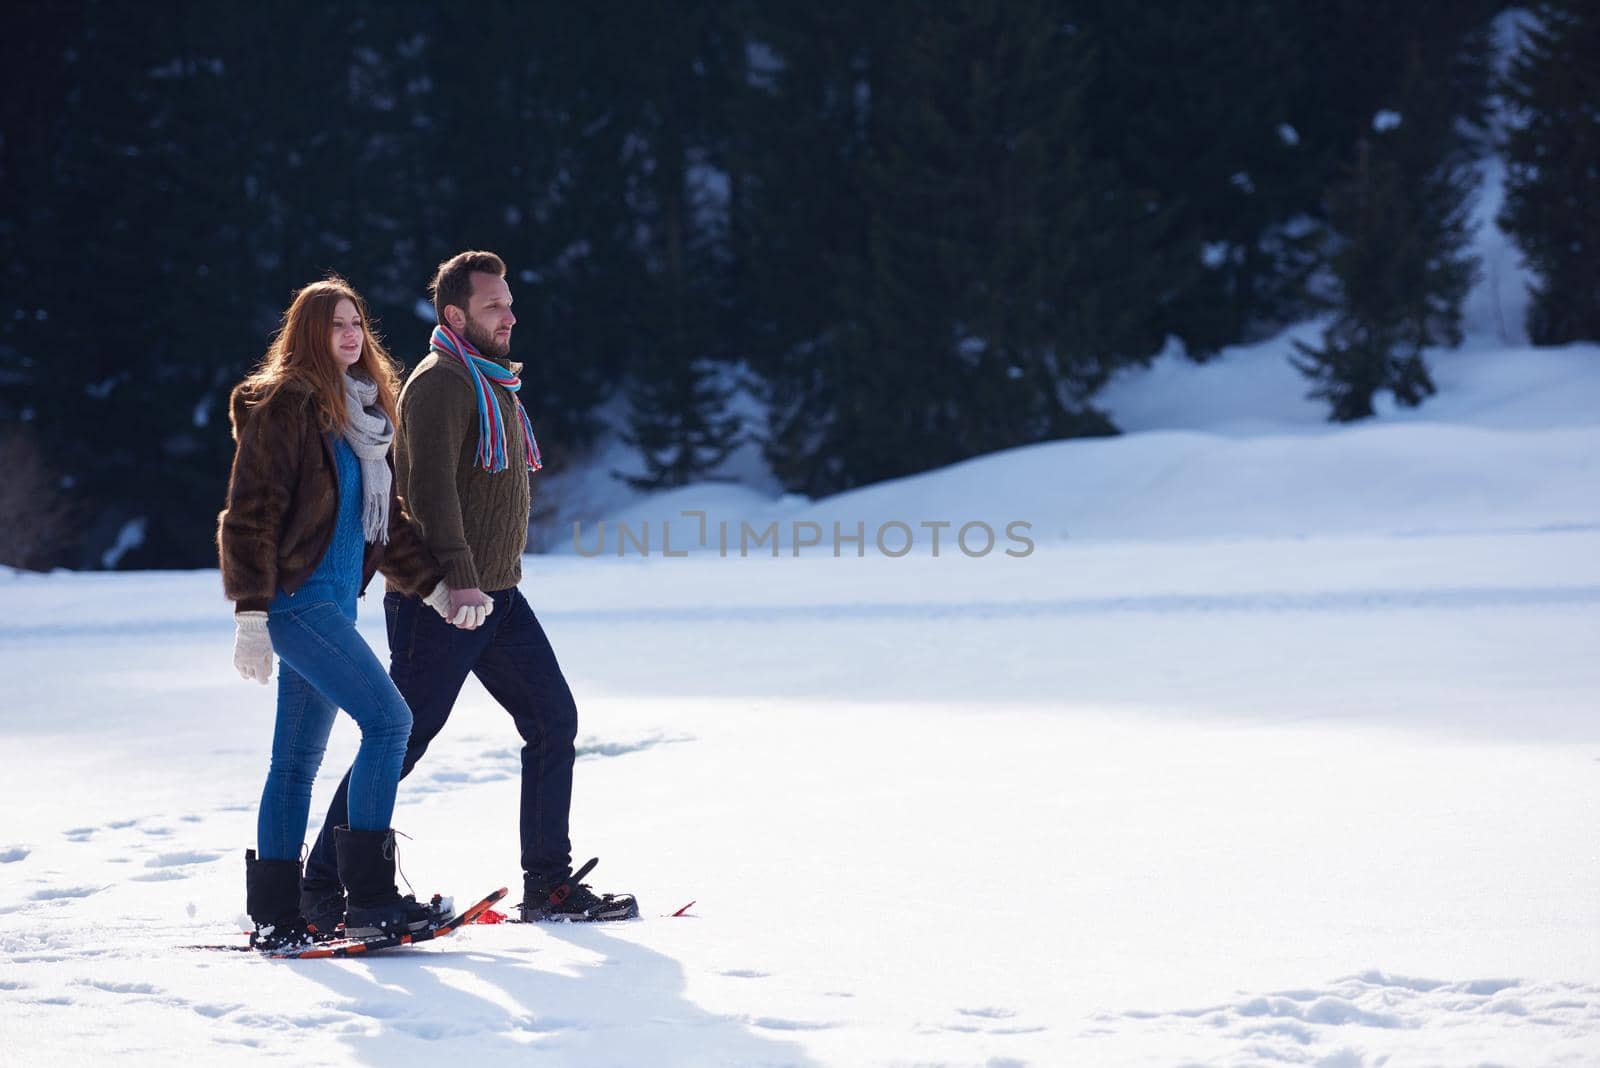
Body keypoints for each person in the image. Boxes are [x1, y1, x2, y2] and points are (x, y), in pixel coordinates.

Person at [299, 250, 638, 925]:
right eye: (493, 306)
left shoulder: (491, 382)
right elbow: (427, 492)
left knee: (551, 720)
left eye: (510, 303)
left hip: (497, 595)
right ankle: (320, 888)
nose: (509, 315)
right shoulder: (443, 384)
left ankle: (550, 884)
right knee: (402, 736)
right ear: (455, 314)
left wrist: (481, 583)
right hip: (445, 599)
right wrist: (455, 580)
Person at [218, 276, 479, 951]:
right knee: (390, 721)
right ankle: (369, 898)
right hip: (297, 603)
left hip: (334, 605)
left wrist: (438, 591)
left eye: (356, 324)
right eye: (335, 325)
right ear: (307, 333)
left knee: (296, 761)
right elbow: (248, 517)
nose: (350, 336)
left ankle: (279, 915)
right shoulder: (284, 408)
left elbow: (387, 525)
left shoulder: (363, 417)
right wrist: (250, 615)